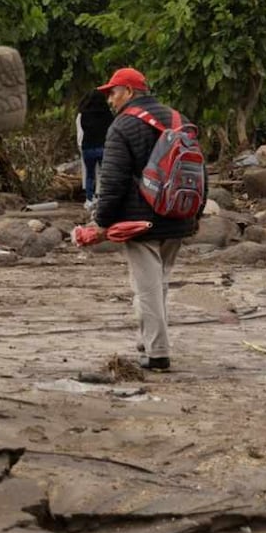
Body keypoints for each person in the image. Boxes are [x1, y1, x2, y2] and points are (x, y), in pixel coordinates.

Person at [93, 67, 200, 371]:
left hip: (140, 222)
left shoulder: (123, 125)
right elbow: (198, 171)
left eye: (112, 93)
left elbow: (112, 180)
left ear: (128, 92)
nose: (110, 100)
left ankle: (157, 353)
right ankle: (149, 341)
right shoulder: (181, 120)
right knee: (158, 284)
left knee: (148, 289)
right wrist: (196, 214)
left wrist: (101, 222)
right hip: (178, 215)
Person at [75, 90, 113, 210]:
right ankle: (102, 197)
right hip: (103, 147)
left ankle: (89, 199)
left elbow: (82, 130)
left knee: (90, 174)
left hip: (88, 147)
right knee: (104, 174)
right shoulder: (108, 114)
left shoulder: (83, 114)